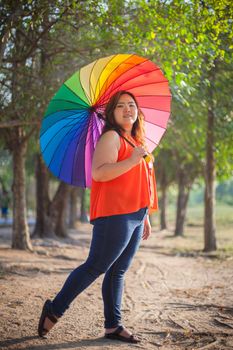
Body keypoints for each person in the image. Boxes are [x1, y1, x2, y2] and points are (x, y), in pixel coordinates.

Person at [38, 90, 158, 343]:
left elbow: (140, 181)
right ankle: (55, 308)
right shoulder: (111, 137)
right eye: (121, 106)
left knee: (118, 271)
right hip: (115, 214)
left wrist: (145, 213)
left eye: (132, 105)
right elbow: (100, 173)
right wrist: (133, 160)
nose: (128, 109)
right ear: (112, 113)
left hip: (135, 214)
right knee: (96, 266)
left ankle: (113, 326)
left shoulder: (136, 141)